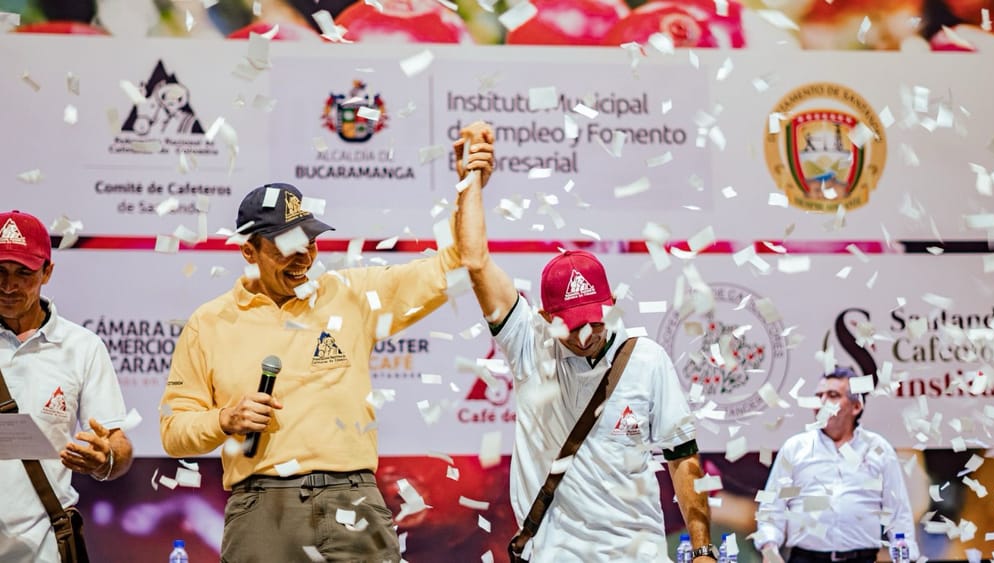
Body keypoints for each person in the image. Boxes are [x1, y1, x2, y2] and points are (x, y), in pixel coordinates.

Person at [159, 165, 494, 560]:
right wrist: (224, 420)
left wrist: (470, 179)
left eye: (311, 241)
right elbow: (173, 429)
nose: (304, 257)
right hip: (261, 509)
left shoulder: (351, 295)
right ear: (248, 250)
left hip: (353, 500)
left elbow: (463, 260)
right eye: (287, 245)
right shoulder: (209, 323)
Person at [453, 123, 715, 561]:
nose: (587, 333)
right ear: (545, 318)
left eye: (594, 319)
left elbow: (682, 456)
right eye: (571, 325)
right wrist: (471, 182)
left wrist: (703, 549)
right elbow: (475, 262)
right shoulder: (528, 344)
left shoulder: (647, 359)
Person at [0, 209, 133, 562]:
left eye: (23, 273)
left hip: (42, 549)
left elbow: (117, 444)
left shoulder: (82, 347)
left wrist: (103, 459)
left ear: (47, 271)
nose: (9, 285)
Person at [754, 366, 919, 563]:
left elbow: (899, 514)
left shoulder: (878, 448)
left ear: (856, 406)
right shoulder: (795, 448)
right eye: (819, 395)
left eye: (832, 395)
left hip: (862, 559)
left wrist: (905, 556)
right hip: (805, 558)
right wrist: (769, 549)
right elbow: (772, 508)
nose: (822, 402)